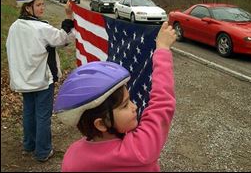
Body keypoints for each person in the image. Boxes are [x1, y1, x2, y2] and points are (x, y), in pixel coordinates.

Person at [53, 21, 177, 171]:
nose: (135, 107)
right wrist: (162, 49)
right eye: (125, 105)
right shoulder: (139, 150)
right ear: (101, 124)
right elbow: (162, 104)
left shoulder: (72, 157)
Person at [6, 0, 75, 162]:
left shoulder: (14, 27)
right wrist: (68, 17)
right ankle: (43, 151)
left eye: (43, 4)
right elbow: (64, 38)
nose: (42, 8)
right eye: (38, 5)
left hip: (24, 80)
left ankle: (29, 144)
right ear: (28, 8)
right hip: (42, 80)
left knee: (29, 112)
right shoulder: (40, 28)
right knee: (42, 116)